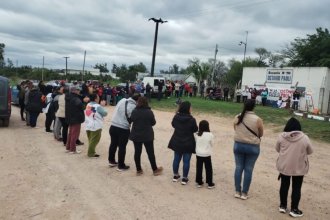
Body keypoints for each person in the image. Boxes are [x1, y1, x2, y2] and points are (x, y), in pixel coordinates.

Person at [275, 117, 313, 218]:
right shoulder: (305, 138)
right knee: (297, 188)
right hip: (299, 167)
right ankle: (294, 209)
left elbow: (277, 149)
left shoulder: (281, 136)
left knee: (284, 185)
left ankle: (283, 206)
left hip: (284, 166)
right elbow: (310, 151)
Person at [233, 99, 264, 200]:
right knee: (248, 169)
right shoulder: (258, 119)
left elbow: (235, 128)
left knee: (238, 167)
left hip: (238, 145)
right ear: (254, 107)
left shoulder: (238, 117)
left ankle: (237, 191)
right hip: (252, 146)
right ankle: (244, 193)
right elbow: (261, 134)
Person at [129, 97, 163, 176]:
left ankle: (139, 170)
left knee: (137, 152)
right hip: (147, 135)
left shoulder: (134, 111)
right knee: (150, 152)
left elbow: (131, 120)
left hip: (136, 134)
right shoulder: (149, 112)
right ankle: (155, 170)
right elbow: (153, 123)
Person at [168, 101, 198, 185]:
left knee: (176, 158)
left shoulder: (176, 117)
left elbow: (173, 125)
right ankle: (184, 178)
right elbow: (195, 129)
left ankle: (175, 175)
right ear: (188, 108)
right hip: (188, 141)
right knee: (186, 161)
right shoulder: (192, 119)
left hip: (177, 140)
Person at [108, 94, 140, 171]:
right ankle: (121, 165)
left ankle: (111, 161)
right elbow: (133, 118)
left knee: (113, 144)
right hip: (123, 128)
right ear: (137, 100)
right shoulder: (134, 107)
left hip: (113, 125)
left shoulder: (122, 100)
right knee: (122, 147)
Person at [194, 120, 215, 189]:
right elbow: (212, 144)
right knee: (208, 168)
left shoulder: (196, 134)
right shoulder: (210, 135)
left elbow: (196, 142)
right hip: (207, 154)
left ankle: (199, 182)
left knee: (199, 168)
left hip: (199, 153)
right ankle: (210, 183)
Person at [65, 86, 85, 154]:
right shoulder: (75, 98)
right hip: (76, 118)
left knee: (70, 133)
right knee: (75, 134)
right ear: (74, 91)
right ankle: (72, 149)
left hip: (70, 117)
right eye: (78, 90)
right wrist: (84, 102)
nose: (79, 91)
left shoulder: (68, 97)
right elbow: (80, 106)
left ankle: (68, 147)